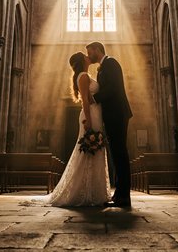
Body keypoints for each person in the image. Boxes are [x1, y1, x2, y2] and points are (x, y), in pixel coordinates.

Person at [46, 52, 112, 207]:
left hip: (95, 114)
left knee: (95, 150)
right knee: (89, 150)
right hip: (90, 115)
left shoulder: (85, 75)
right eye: (85, 55)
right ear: (82, 60)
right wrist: (88, 120)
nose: (88, 56)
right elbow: (85, 101)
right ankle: (85, 192)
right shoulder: (83, 76)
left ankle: (94, 191)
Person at [86, 41, 133, 208]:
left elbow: (113, 88)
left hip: (117, 113)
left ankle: (124, 197)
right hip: (112, 114)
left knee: (120, 153)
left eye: (90, 52)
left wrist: (94, 98)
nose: (89, 56)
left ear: (97, 50)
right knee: (116, 153)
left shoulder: (111, 63)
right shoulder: (103, 67)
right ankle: (119, 194)